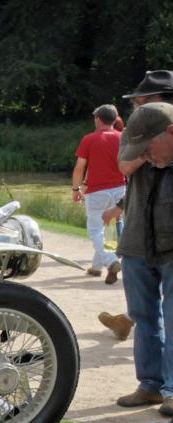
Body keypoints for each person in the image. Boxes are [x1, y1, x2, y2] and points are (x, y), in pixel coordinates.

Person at [95, 71, 173, 344]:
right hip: (139, 235)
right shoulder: (133, 131)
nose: (137, 108)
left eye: (143, 102)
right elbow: (125, 166)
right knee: (144, 312)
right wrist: (147, 148)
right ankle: (151, 384)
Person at [71, 104, 126, 282]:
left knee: (95, 230)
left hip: (97, 191)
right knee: (109, 229)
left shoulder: (89, 139)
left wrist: (76, 189)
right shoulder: (123, 137)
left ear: (98, 119)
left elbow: (80, 168)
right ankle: (96, 267)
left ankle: (110, 261)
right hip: (120, 189)